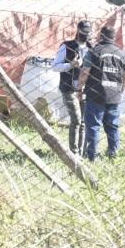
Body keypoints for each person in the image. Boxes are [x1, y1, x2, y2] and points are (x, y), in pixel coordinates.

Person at [77, 25, 125, 161]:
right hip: (114, 95)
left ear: (101, 36)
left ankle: (92, 156)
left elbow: (84, 72)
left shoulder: (94, 51)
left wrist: (79, 88)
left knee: (93, 126)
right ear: (114, 37)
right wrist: (121, 92)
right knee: (112, 126)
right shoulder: (122, 53)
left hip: (96, 94)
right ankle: (114, 154)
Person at [51, 19, 91, 155]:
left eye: (87, 32)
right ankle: (74, 152)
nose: (85, 34)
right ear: (78, 31)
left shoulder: (91, 48)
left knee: (84, 122)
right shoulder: (66, 46)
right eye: (83, 31)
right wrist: (70, 65)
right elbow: (55, 67)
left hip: (85, 88)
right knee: (76, 120)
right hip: (69, 88)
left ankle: (81, 152)